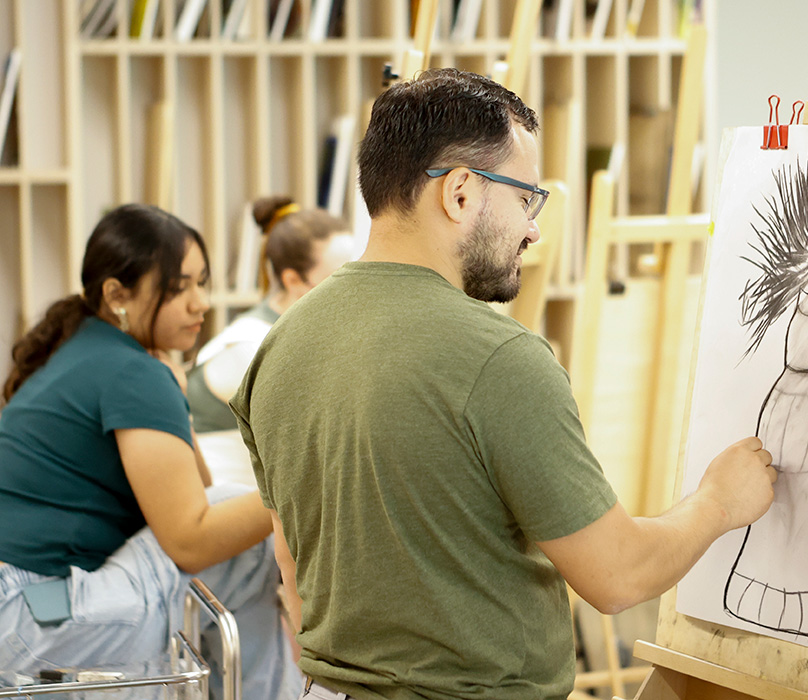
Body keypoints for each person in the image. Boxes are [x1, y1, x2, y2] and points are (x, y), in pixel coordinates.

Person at [231, 68, 777, 700]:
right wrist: (717, 502)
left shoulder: (282, 345)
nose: (534, 229)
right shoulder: (498, 359)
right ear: (461, 192)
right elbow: (618, 576)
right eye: (525, 198)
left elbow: (294, 579)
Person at [0, 204, 302, 700]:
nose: (200, 303)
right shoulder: (131, 372)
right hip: (33, 618)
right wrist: (301, 485)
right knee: (246, 531)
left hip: (27, 609)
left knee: (234, 515)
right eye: (178, 288)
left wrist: (174, 392)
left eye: (202, 282)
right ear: (117, 295)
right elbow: (191, 541)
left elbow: (196, 493)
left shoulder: (86, 349)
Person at [187, 198, 357, 486]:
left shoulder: (306, 333)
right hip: (231, 509)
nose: (356, 291)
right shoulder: (250, 346)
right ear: (293, 280)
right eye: (341, 278)